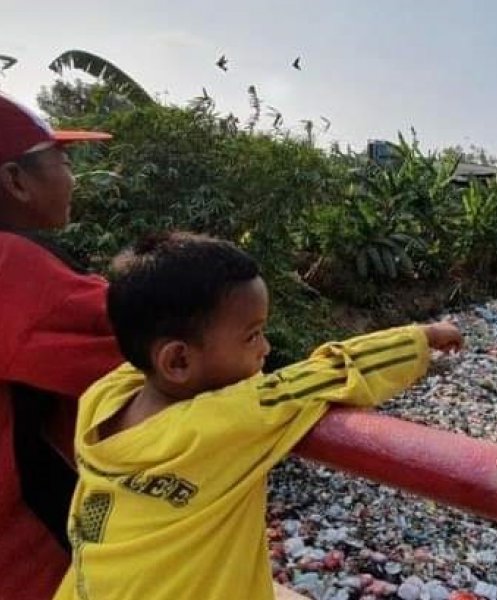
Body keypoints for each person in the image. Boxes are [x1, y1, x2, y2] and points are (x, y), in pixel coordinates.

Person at [55, 232, 463, 600]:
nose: (265, 349)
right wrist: (419, 339)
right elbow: (324, 377)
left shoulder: (103, 397)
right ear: (178, 359)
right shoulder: (226, 422)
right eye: (252, 335)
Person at [0, 92, 122, 599]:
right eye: (63, 162)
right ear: (14, 181)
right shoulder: (15, 272)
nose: (73, 179)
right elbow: (174, 340)